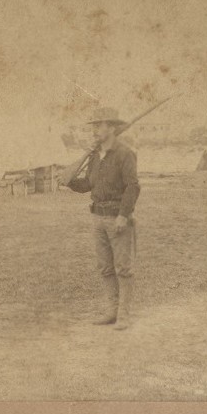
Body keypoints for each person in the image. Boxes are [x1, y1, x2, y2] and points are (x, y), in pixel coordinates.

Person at [60, 107, 140, 330]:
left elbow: (133, 187)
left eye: (98, 125)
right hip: (97, 217)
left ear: (112, 128)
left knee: (123, 268)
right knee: (105, 267)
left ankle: (124, 315)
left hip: (118, 219)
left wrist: (124, 215)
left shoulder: (125, 153)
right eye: (93, 126)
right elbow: (89, 184)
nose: (94, 130)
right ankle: (111, 311)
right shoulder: (95, 156)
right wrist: (69, 182)